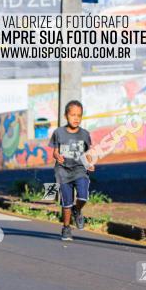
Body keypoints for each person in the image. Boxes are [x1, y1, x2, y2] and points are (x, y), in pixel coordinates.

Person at [49, 100, 94, 241]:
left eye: (79, 115)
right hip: (63, 171)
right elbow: (54, 152)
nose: (76, 118)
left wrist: (89, 164)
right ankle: (66, 228)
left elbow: (87, 153)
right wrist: (57, 156)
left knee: (83, 196)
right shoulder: (58, 133)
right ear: (65, 116)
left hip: (80, 170)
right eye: (73, 115)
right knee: (66, 202)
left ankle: (77, 209)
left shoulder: (85, 134)